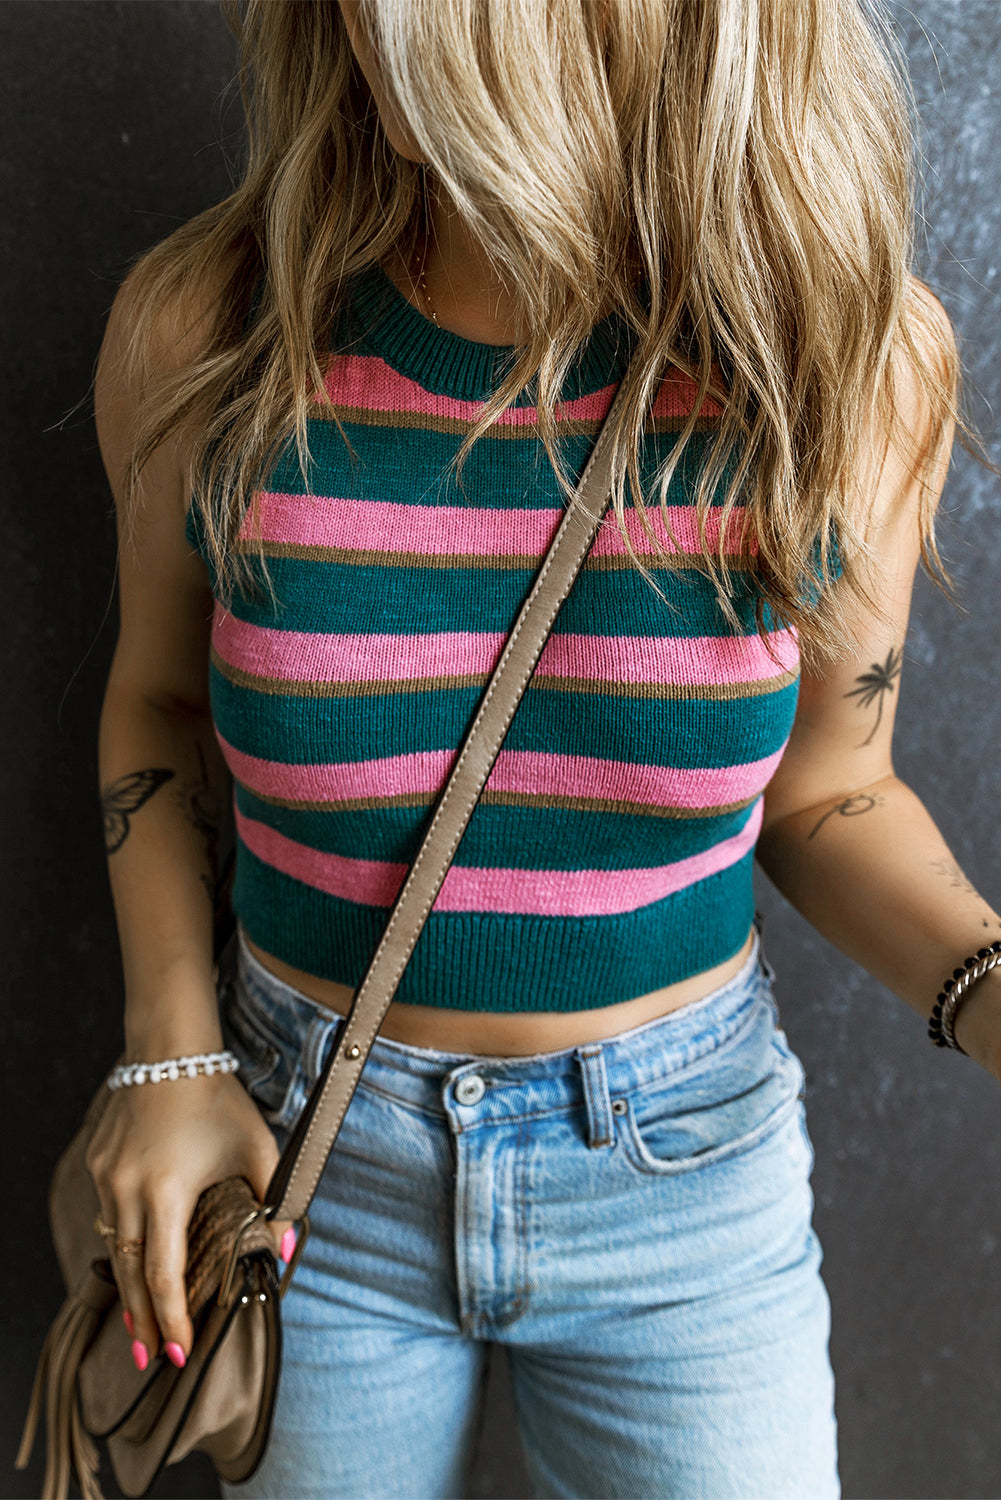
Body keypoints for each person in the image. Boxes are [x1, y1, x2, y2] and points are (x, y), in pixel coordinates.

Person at [84, 1, 1001, 1496]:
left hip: (682, 1179)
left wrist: (986, 987)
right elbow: (158, 705)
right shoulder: (211, 330)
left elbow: (830, 787)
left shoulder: (846, 367)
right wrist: (166, 1049)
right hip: (307, 1161)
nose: (373, 36)